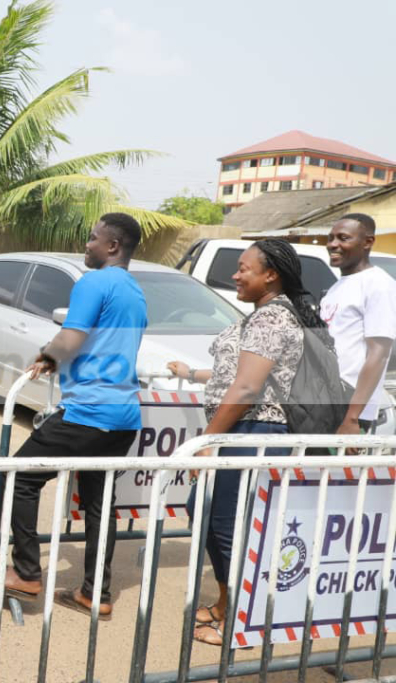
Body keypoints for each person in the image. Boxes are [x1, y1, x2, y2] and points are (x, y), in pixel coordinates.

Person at [0, 213, 148, 622]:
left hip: (89, 410)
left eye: (92, 239)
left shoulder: (93, 282)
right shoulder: (135, 291)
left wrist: (47, 357)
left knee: (20, 476)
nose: (86, 246)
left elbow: (72, 336)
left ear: (112, 247)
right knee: (98, 505)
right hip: (123, 415)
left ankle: (28, 574)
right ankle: (96, 594)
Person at [166, 238, 319, 646]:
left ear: (271, 274)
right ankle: (225, 601)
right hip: (244, 431)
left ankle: (239, 618)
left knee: (228, 525)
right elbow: (237, 373)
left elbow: (249, 388)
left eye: (243, 268)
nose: (235, 275)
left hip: (254, 434)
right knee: (204, 512)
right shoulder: (265, 315)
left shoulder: (272, 319)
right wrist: (192, 374)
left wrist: (207, 440)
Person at [320, 213, 396, 435]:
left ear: (368, 242)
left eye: (343, 238)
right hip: (326, 405)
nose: (333, 244)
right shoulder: (337, 287)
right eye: (331, 238)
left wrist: (353, 417)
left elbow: (379, 354)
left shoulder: (379, 285)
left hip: (350, 410)